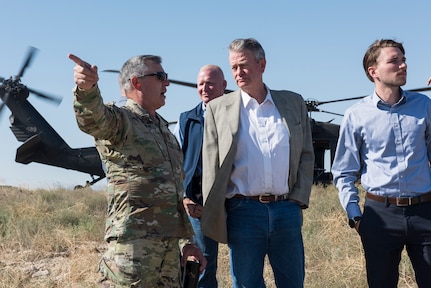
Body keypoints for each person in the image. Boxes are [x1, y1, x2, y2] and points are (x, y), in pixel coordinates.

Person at [68, 53, 206, 288]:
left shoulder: (163, 129)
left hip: (168, 255)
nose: (167, 83)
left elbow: (173, 193)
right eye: (161, 76)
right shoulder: (122, 121)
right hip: (133, 250)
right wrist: (86, 89)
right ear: (136, 82)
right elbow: (93, 118)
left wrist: (186, 242)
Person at [200, 38, 314, 288]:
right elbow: (210, 165)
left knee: (293, 282)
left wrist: (299, 199)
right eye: (233, 68)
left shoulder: (293, 103)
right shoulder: (218, 109)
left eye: (244, 65)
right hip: (243, 212)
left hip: (286, 210)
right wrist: (215, 213)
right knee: (246, 283)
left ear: (262, 65)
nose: (238, 73)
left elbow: (306, 154)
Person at [332, 39, 431, 287]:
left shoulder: (425, 106)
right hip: (380, 216)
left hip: (426, 212)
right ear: (373, 71)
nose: (403, 65)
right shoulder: (356, 115)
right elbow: (344, 171)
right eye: (394, 61)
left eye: (403, 59)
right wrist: (355, 215)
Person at [173, 64, 227, 288]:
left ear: (224, 86)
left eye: (211, 83)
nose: (205, 88)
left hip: (235, 204)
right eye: (201, 83)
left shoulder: (238, 116)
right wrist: (185, 196)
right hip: (198, 208)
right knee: (202, 268)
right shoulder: (186, 120)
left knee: (243, 268)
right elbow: (174, 162)